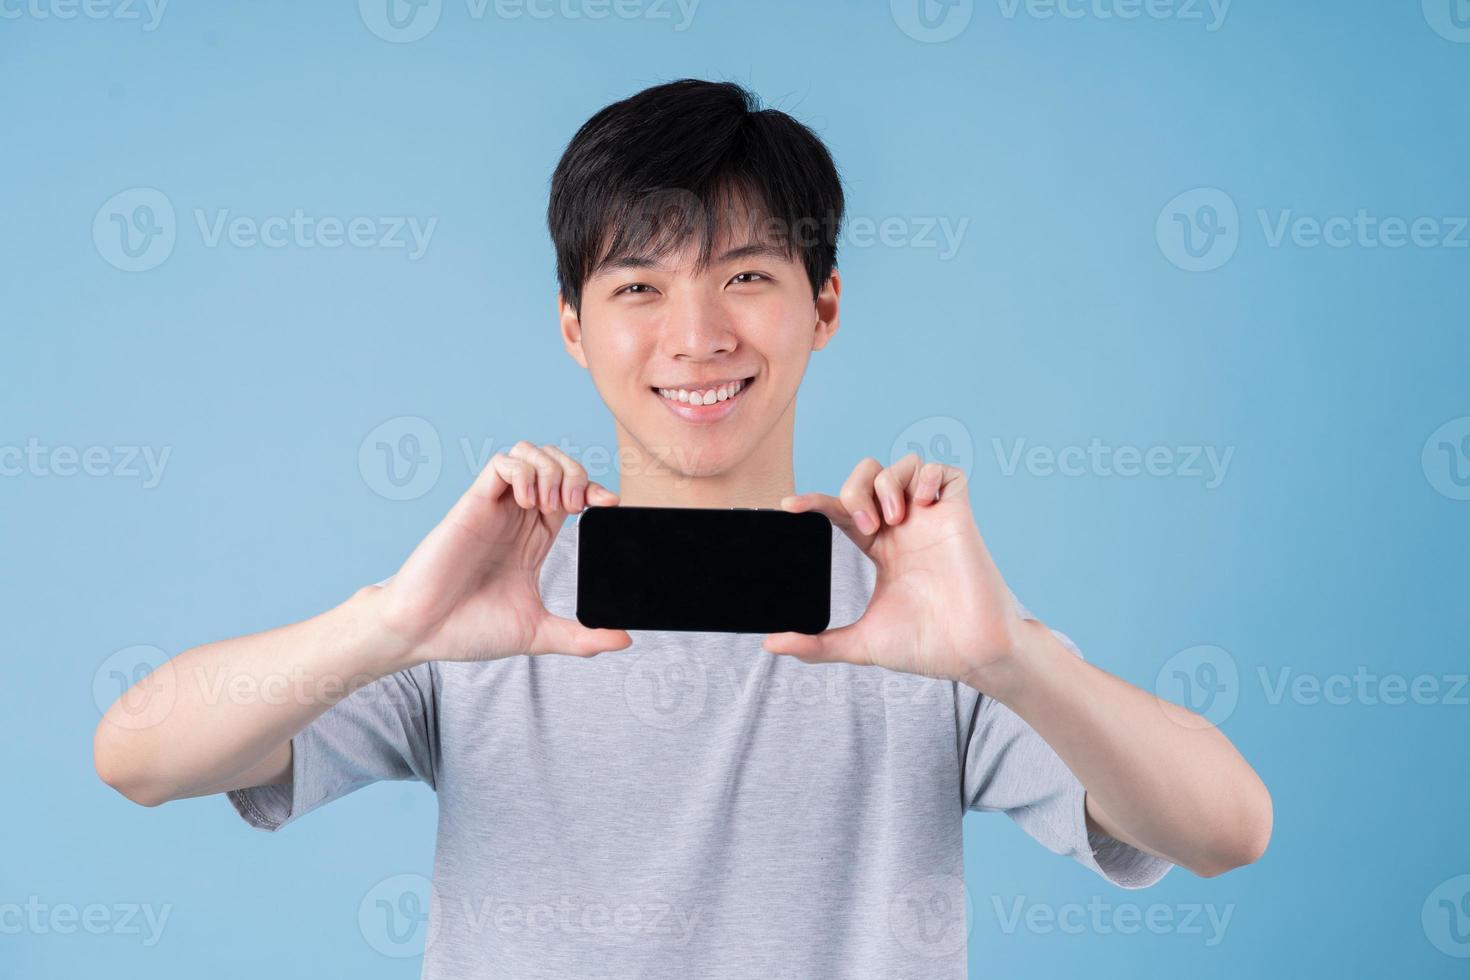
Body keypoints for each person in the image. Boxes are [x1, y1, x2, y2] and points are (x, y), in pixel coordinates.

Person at [93, 77, 1272, 978]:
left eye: (748, 277)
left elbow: (1228, 827)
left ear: (826, 304)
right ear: (572, 324)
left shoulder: (921, 615)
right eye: (639, 286)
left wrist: (1012, 658)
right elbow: (138, 753)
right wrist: (390, 625)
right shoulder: (482, 606)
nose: (696, 335)